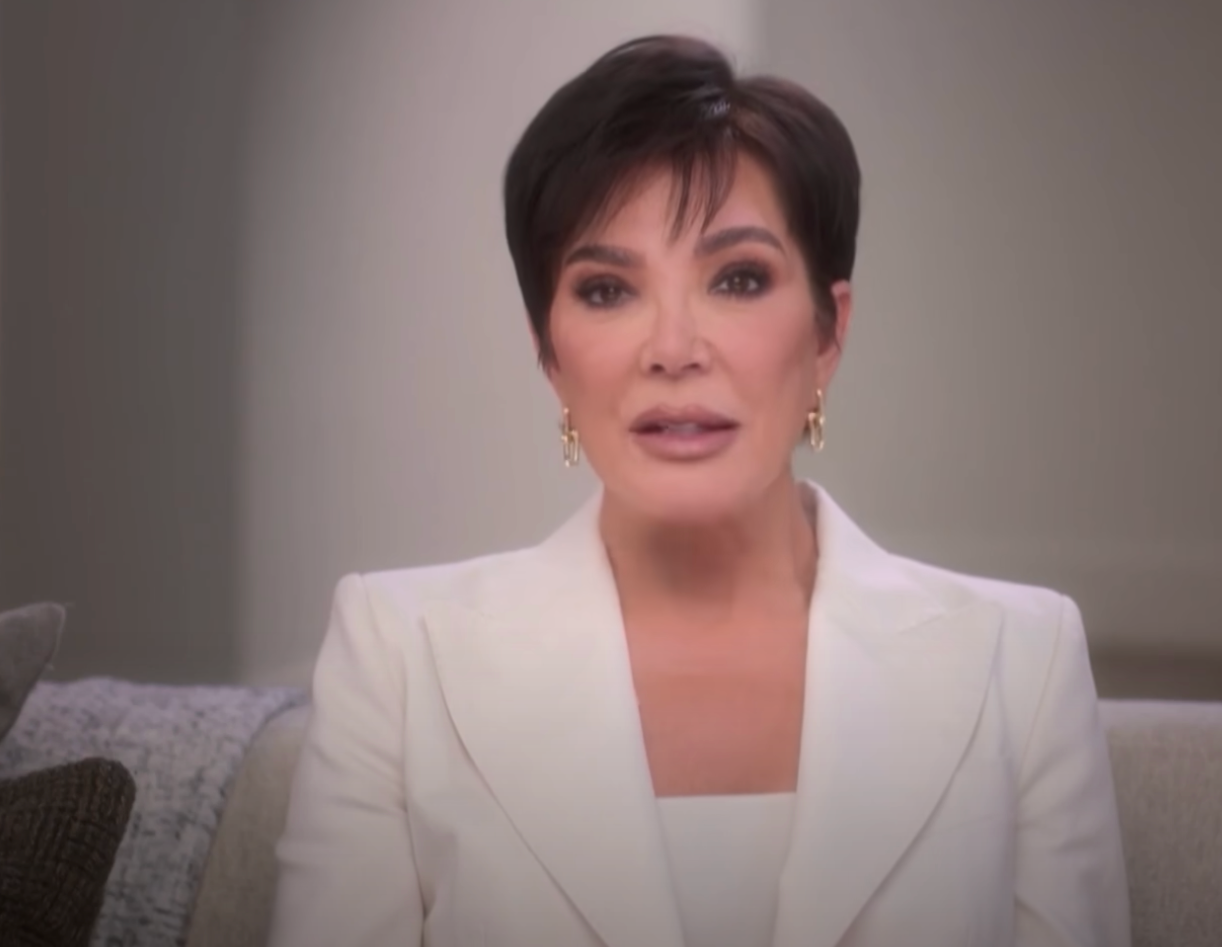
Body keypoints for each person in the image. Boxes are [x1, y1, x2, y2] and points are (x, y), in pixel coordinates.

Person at [268, 34, 1130, 947]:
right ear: (548, 351)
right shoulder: (399, 658)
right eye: (608, 290)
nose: (673, 349)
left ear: (827, 333)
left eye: (737, 278)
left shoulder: (1022, 663)